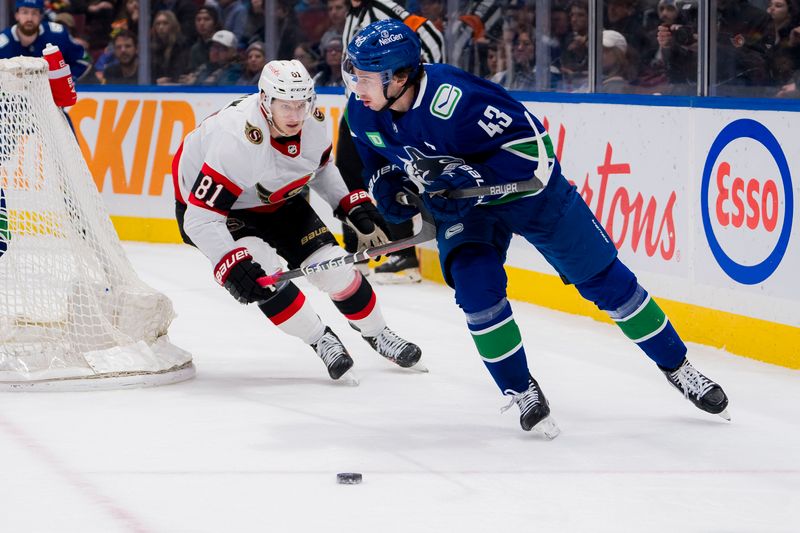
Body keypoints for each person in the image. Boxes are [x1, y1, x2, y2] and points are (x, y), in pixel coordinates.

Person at [343, 19, 730, 436]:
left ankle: (679, 367)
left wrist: (476, 178)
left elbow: (536, 153)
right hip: (466, 210)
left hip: (533, 196)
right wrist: (391, 190)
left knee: (607, 283)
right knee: (476, 293)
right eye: (354, 75)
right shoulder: (364, 113)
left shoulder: (455, 100)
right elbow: (377, 159)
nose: (355, 87)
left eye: (363, 78)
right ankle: (520, 389)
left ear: (399, 77)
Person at [172, 59, 424, 381]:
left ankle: (378, 332)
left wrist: (349, 203)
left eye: (300, 105)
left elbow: (318, 167)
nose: (294, 116)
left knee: (336, 269)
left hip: (277, 197)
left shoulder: (313, 122)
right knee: (263, 275)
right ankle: (320, 339)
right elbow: (200, 219)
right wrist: (230, 263)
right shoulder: (235, 140)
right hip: (222, 210)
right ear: (265, 101)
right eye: (285, 106)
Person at [338, 0, 445, 284]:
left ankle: (403, 253)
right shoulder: (354, 13)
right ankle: (358, 248)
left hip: (387, 105)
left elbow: (430, 35)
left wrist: (424, 87)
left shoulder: (383, 7)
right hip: (362, 105)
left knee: (390, 170)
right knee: (348, 173)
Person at [0, 0, 90, 81]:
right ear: (17, 15)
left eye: (34, 13)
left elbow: (83, 60)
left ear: (41, 16)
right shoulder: (2, 43)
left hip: (51, 96)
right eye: (25, 12)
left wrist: (67, 82)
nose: (29, 18)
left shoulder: (58, 35)